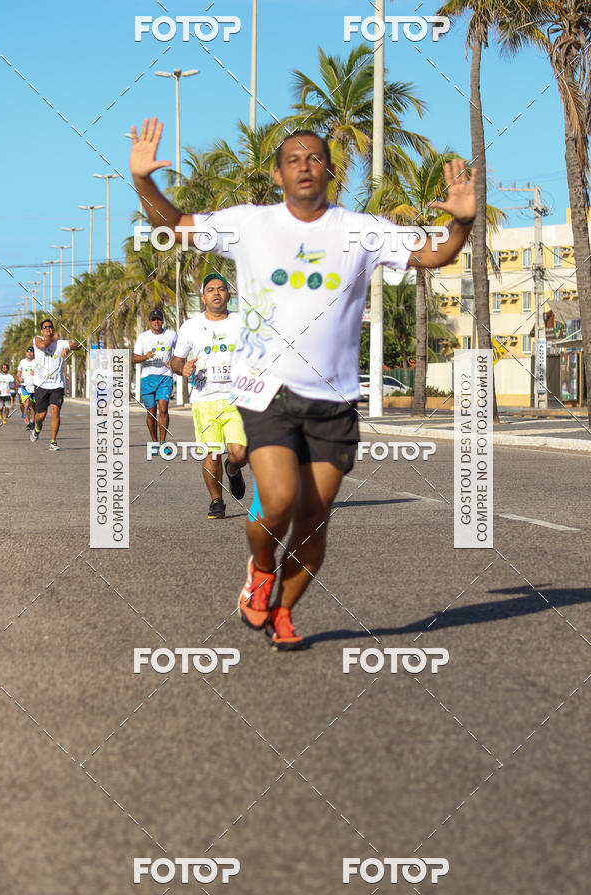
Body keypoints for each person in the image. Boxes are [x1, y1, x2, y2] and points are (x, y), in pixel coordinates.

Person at [130, 119, 476, 650]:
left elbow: (434, 253)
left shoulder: (361, 230)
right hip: (267, 392)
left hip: (333, 401)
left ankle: (284, 611)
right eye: (293, 159)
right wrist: (143, 181)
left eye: (315, 158)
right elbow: (174, 223)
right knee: (277, 503)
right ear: (277, 175)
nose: (305, 166)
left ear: (331, 171)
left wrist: (462, 223)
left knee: (314, 522)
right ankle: (261, 567)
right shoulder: (249, 224)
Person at [170, 273, 247, 519]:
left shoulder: (242, 323)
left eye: (221, 289)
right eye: (211, 289)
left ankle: (233, 470)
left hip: (237, 398)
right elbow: (175, 360)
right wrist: (182, 368)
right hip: (204, 400)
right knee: (212, 453)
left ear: (228, 295)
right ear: (203, 297)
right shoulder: (190, 326)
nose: (216, 293)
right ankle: (216, 500)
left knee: (240, 453)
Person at [31, 319, 82, 450]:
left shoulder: (61, 343)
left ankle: (53, 442)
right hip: (41, 384)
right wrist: (53, 338)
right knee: (41, 415)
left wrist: (67, 348)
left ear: (53, 329)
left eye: (50, 326)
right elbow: (43, 345)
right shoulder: (37, 339)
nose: (48, 328)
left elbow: (78, 345)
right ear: (42, 331)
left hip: (57, 385)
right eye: (45, 327)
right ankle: (37, 428)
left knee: (55, 411)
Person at [132, 309, 177, 453]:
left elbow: (180, 352)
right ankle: (154, 442)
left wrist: (173, 361)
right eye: (153, 319)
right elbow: (134, 358)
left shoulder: (171, 335)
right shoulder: (143, 337)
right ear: (149, 322)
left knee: (163, 409)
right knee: (151, 412)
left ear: (162, 321)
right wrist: (145, 357)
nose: (156, 322)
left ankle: (163, 443)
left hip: (165, 376)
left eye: (158, 319)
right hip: (148, 378)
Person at [17, 346, 36, 430]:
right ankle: (27, 421)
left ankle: (32, 421)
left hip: (35, 386)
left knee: (33, 406)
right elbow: (18, 373)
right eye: (28, 351)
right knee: (27, 403)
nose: (29, 353)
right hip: (25, 386)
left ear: (33, 353)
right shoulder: (22, 362)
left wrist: (36, 371)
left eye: (31, 352)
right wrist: (19, 378)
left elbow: (42, 371)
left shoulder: (37, 361)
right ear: (26, 353)